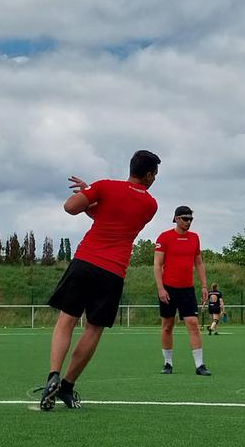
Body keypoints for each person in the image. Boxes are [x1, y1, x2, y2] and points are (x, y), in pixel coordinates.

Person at [40, 149, 160, 411]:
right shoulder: (151, 205)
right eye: (155, 176)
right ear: (149, 175)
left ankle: (53, 376)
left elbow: (71, 207)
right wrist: (93, 201)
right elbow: (112, 216)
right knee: (94, 329)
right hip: (113, 271)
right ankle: (67, 386)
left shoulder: (105, 186)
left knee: (66, 320)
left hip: (85, 261)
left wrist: (88, 193)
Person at [154, 205, 211, 375]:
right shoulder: (165, 237)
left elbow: (199, 263)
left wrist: (204, 286)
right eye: (185, 219)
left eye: (191, 219)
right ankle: (168, 363)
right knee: (167, 326)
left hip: (187, 289)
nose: (188, 222)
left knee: (193, 324)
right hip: (168, 289)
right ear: (177, 219)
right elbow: (157, 264)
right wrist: (160, 288)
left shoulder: (194, 238)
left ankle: (200, 365)